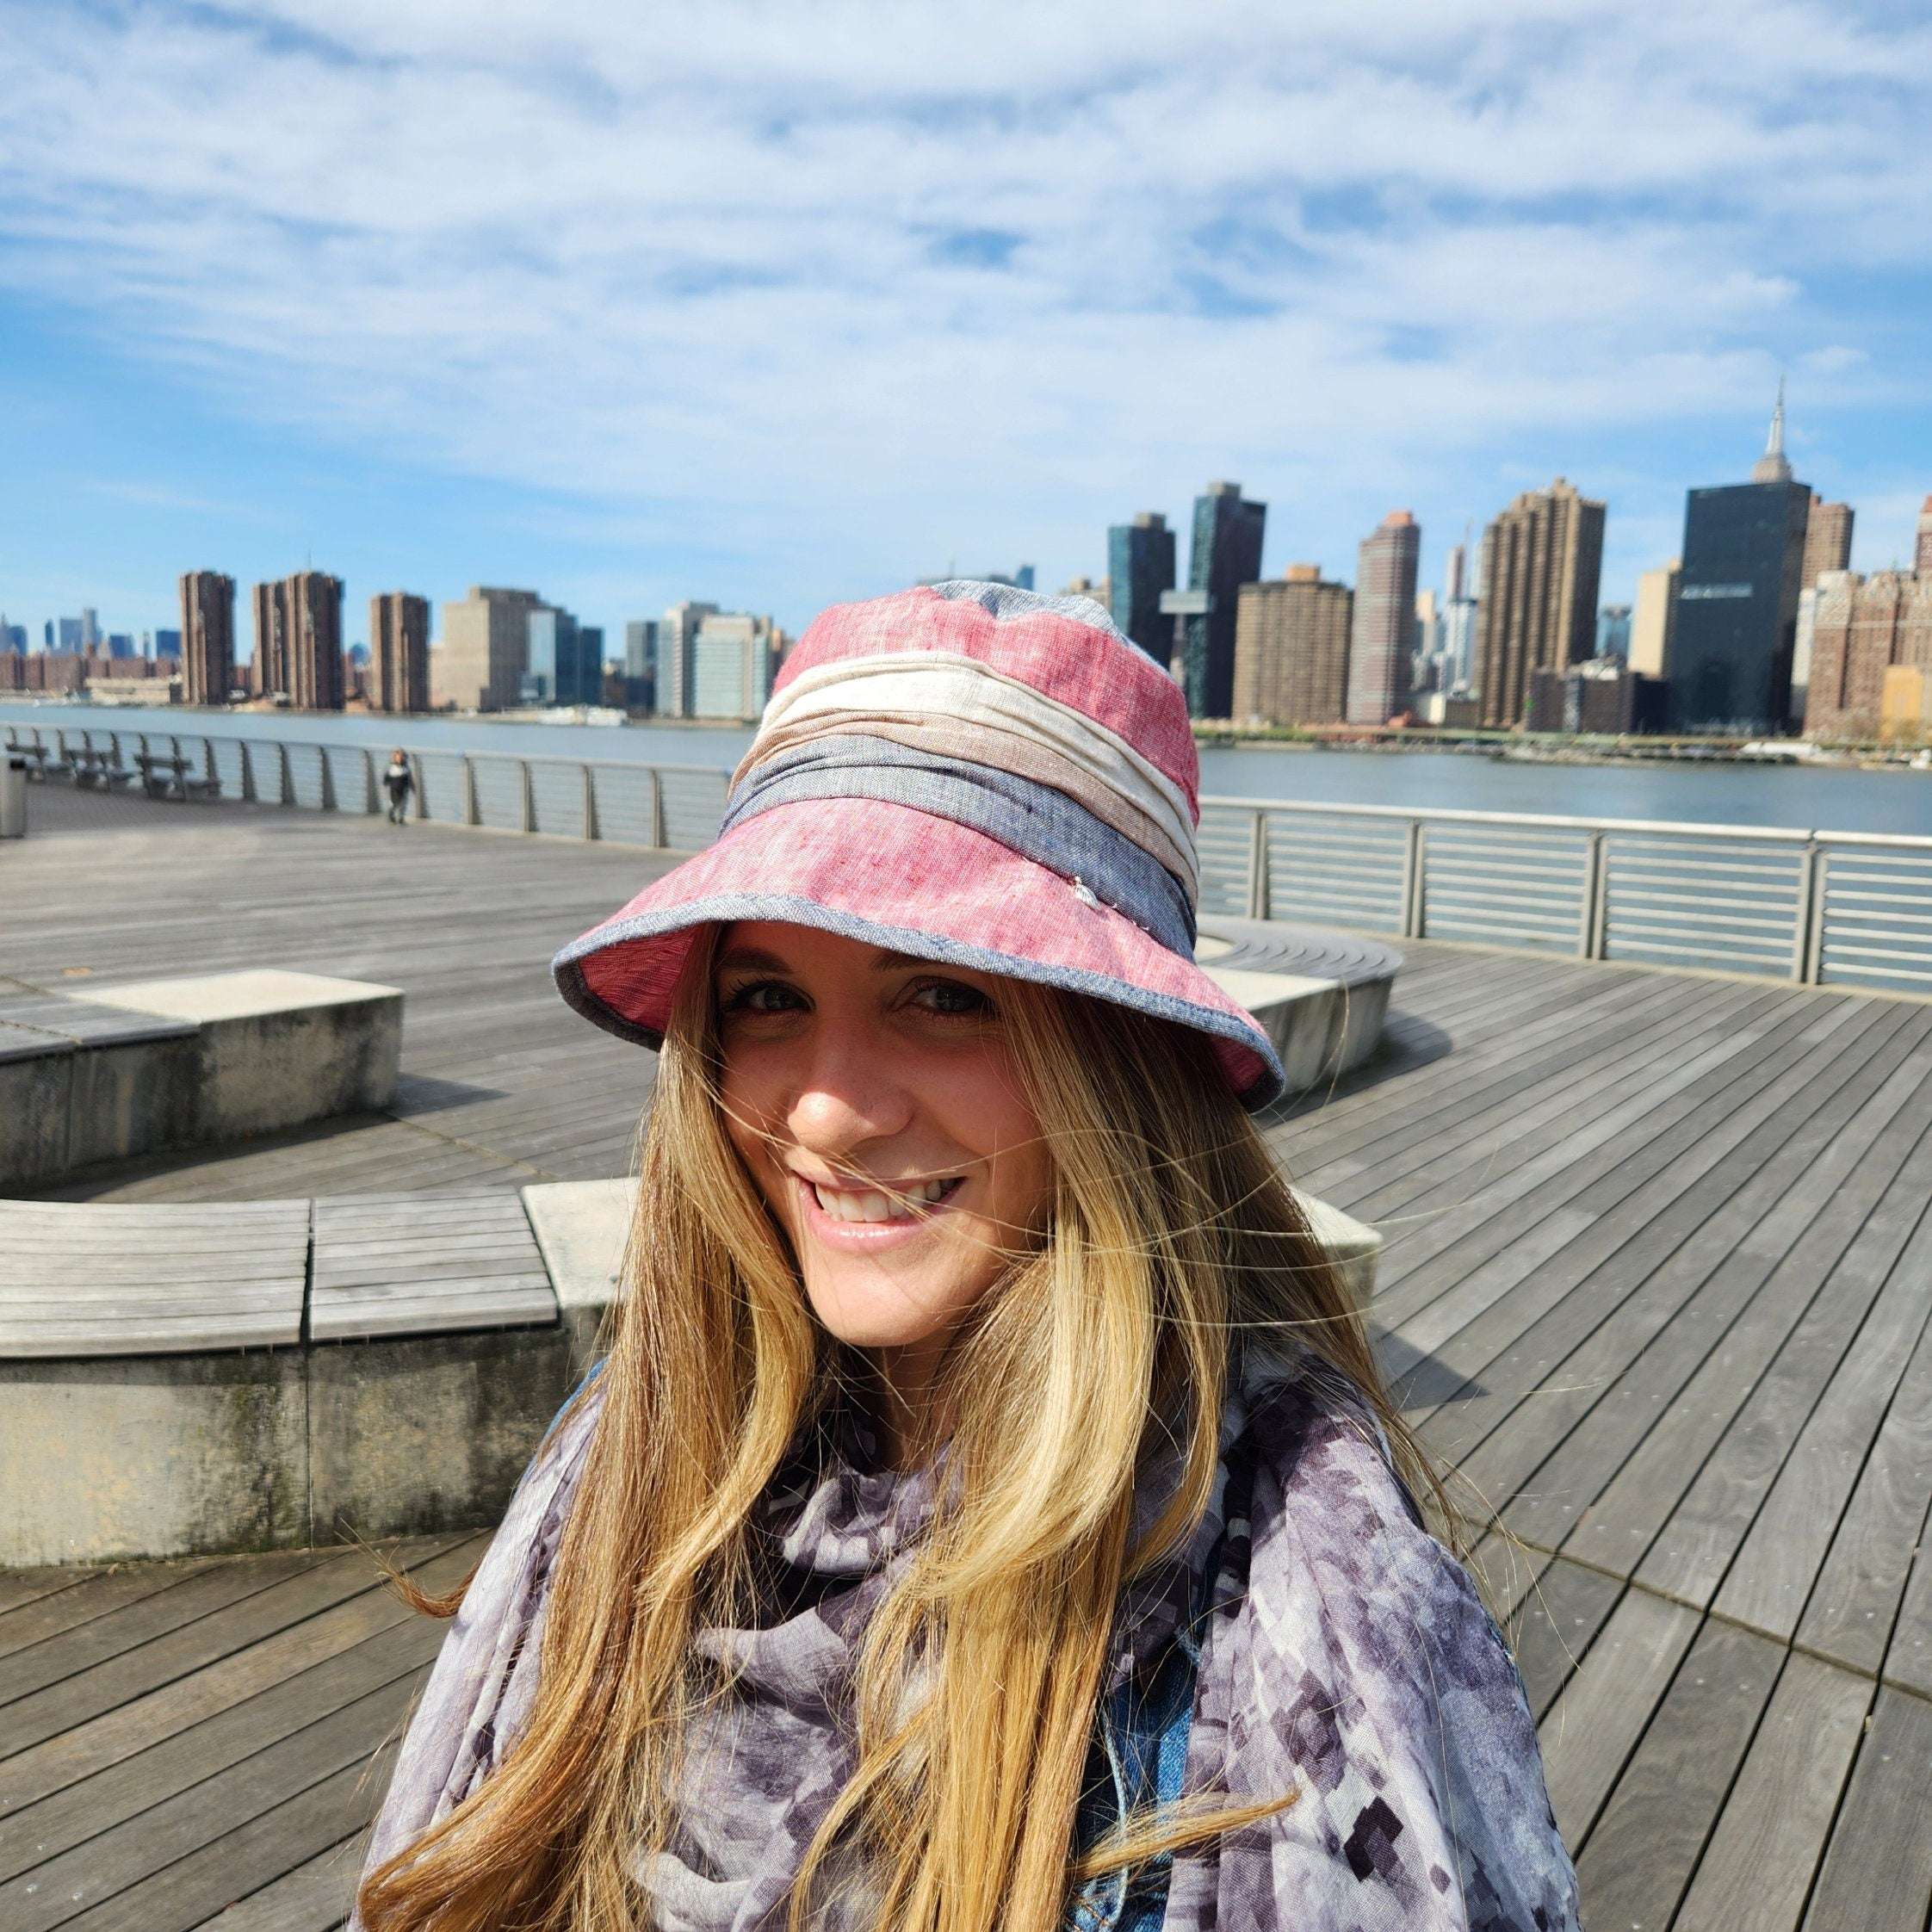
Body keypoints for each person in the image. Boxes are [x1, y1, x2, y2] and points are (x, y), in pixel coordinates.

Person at [351, 583, 1581, 1932]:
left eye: (943, 994)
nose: (824, 1109)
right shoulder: (637, 1445)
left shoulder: (1308, 1622)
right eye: (769, 997)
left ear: (1114, 1060)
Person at [384, 749, 414, 825]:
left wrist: (412, 787)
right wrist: (386, 784)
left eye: (402, 757)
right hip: (394, 788)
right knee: (394, 804)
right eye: (398, 757)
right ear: (395, 757)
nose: (400, 758)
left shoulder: (406, 768)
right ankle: (391, 816)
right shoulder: (391, 767)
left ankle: (401, 819)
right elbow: (386, 778)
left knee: (403, 804)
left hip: (403, 788)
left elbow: (409, 779)